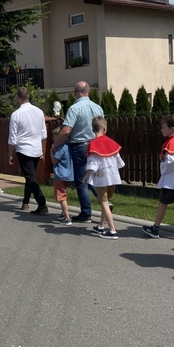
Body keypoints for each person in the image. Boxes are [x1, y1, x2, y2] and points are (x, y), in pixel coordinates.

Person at [51, 81, 104, 222]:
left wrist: (55, 145)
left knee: (82, 181)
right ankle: (104, 202)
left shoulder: (74, 108)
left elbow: (66, 131)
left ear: (75, 93)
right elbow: (103, 128)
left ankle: (86, 213)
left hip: (80, 146)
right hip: (95, 145)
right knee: (94, 177)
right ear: (89, 92)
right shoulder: (98, 107)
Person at [142, 114, 174, 242]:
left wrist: (163, 167)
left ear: (172, 129)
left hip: (171, 181)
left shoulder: (172, 142)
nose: (161, 130)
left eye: (163, 127)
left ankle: (155, 229)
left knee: (163, 203)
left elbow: (173, 160)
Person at [8, 86, 48, 215]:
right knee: (30, 176)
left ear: (18, 98)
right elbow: (43, 134)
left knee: (30, 177)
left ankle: (42, 204)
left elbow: (12, 138)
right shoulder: (39, 112)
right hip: (36, 148)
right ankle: (25, 202)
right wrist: (41, 149)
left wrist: (10, 153)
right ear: (28, 96)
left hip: (23, 149)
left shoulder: (16, 114)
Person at [83, 116, 125, 239]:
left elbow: (93, 163)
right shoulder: (112, 142)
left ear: (93, 129)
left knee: (104, 202)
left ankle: (112, 230)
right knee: (105, 201)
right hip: (113, 177)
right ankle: (101, 226)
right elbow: (119, 161)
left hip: (101, 177)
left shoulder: (93, 144)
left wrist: (86, 176)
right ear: (105, 128)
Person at [50, 126, 74, 226]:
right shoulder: (68, 146)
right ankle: (63, 213)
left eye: (57, 137)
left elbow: (54, 160)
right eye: (54, 137)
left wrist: (51, 151)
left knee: (61, 196)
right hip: (69, 174)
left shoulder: (59, 148)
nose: (55, 139)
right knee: (64, 194)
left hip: (60, 174)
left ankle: (67, 217)